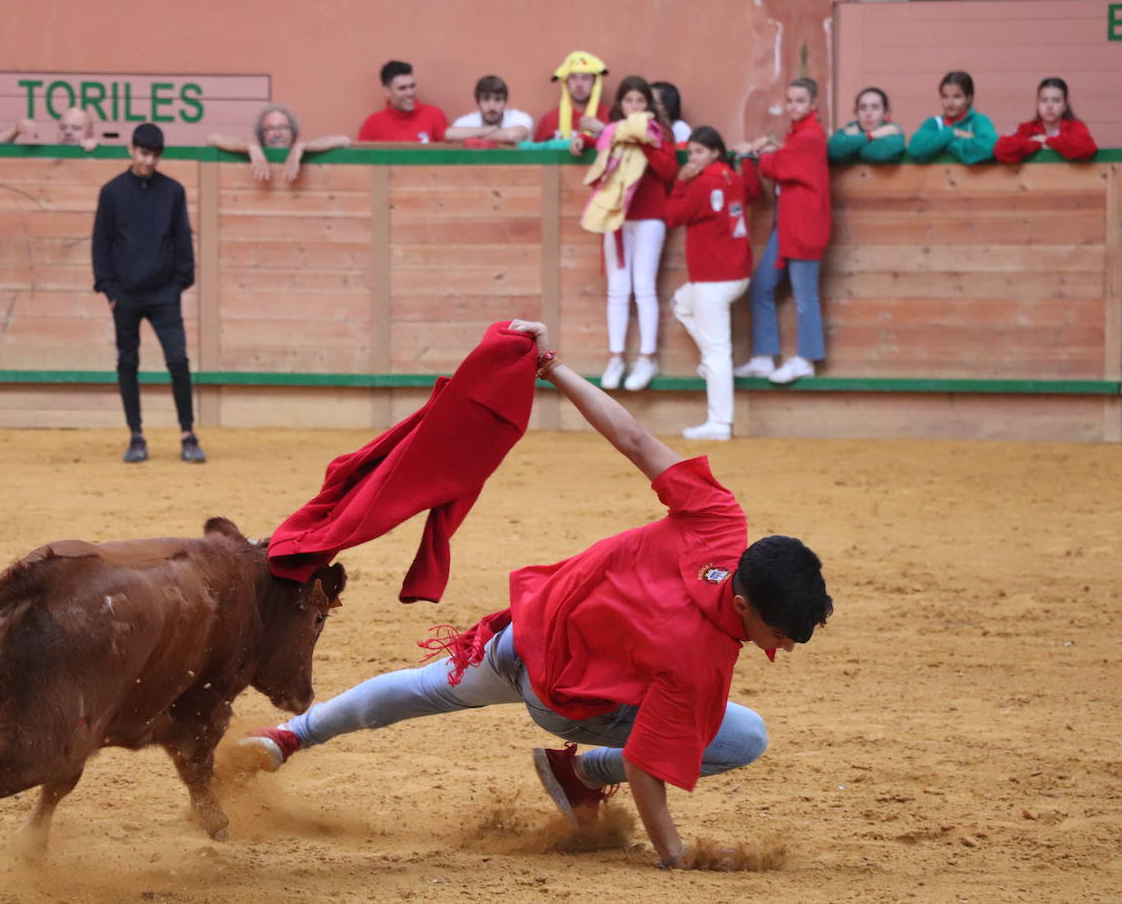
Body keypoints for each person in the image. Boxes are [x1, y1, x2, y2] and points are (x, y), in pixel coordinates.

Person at [239, 318, 833, 870]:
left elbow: (631, 437)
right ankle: (583, 771)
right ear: (741, 605)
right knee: (743, 737)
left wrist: (549, 364)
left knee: (423, 687)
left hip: (524, 634)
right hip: (563, 701)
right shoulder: (696, 660)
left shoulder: (720, 519)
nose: (783, 644)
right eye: (779, 632)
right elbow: (652, 769)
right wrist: (675, 854)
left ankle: (290, 736)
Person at [91, 123, 205, 464]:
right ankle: (136, 435)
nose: (149, 161)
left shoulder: (173, 191)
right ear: (131, 150)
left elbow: (182, 238)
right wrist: (109, 289)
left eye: (155, 155)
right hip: (125, 294)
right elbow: (102, 243)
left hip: (163, 294)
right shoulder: (112, 192)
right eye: (144, 153)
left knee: (178, 361)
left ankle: (188, 433)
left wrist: (179, 283)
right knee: (128, 362)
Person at [574, 76, 678, 391]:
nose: (634, 107)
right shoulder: (613, 133)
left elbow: (668, 171)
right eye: (629, 101)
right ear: (620, 105)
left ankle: (647, 357)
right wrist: (582, 140)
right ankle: (616, 357)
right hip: (616, 216)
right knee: (618, 289)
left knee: (644, 287)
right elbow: (601, 140)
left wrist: (642, 142)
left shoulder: (657, 135)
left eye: (640, 102)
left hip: (649, 218)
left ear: (648, 106)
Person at [663, 126, 763, 441]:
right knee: (682, 303)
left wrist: (680, 182)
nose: (693, 158)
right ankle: (710, 364)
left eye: (698, 152)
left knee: (719, 352)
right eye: (691, 152)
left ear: (714, 152)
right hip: (736, 273)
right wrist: (747, 161)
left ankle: (720, 422)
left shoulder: (702, 183)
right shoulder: (732, 177)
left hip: (712, 278)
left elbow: (673, 215)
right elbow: (754, 191)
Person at [733, 77, 831, 385]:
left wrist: (754, 151)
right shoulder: (798, 135)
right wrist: (771, 149)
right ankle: (764, 357)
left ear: (814, 104)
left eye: (800, 100)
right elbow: (783, 160)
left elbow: (776, 167)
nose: (793, 106)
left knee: (805, 296)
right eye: (789, 100)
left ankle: (806, 359)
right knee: (762, 285)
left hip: (805, 228)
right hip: (786, 227)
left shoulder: (811, 137)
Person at [206, 104, 350, 183]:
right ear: (261, 134)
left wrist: (302, 147)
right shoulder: (255, 151)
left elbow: (344, 140)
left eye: (283, 127)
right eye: (270, 129)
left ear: (293, 131)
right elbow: (212, 138)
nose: (277, 133)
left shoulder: (300, 149)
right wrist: (251, 147)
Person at [992, 77, 1098, 164]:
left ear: (1065, 105)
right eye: (1044, 100)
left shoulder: (1075, 126)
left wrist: (1047, 140)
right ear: (1037, 104)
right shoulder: (1027, 128)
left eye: (1056, 101)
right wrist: (1035, 143)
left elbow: (1086, 148)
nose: (1050, 106)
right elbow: (1000, 150)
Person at [907, 71, 996, 165]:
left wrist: (942, 145)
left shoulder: (979, 121)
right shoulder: (935, 123)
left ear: (969, 98)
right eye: (945, 97)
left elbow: (989, 147)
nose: (950, 103)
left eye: (957, 97)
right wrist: (954, 133)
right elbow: (915, 149)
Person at [357, 61, 447, 143]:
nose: (410, 93)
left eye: (412, 86)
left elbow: (450, 156)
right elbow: (360, 158)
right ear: (387, 91)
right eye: (402, 88)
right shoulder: (373, 124)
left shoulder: (434, 115)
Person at [533, 51, 609, 142]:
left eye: (585, 78)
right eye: (573, 78)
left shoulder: (609, 117)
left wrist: (604, 131)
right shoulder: (549, 120)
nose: (579, 84)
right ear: (566, 82)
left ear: (594, 83)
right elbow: (537, 154)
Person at [445, 76, 534, 144]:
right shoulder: (467, 121)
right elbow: (450, 134)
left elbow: (512, 135)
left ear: (505, 102)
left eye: (498, 99)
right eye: (486, 99)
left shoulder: (519, 117)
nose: (492, 107)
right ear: (478, 102)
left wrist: (473, 137)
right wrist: (488, 130)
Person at [827, 87, 905, 164]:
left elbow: (877, 154)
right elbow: (833, 150)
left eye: (875, 107)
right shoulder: (851, 128)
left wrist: (852, 143)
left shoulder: (892, 131)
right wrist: (871, 135)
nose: (868, 113)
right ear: (856, 112)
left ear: (886, 113)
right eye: (863, 108)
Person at [0, 106, 100, 152]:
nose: (67, 132)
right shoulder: (46, 159)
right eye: (63, 127)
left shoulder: (99, 159)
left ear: (90, 135)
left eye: (76, 128)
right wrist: (16, 129)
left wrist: (96, 152)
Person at [650, 81, 691, 145]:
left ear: (667, 106)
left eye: (655, 102)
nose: (649, 105)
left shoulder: (679, 128)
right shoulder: (648, 125)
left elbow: (685, 154)